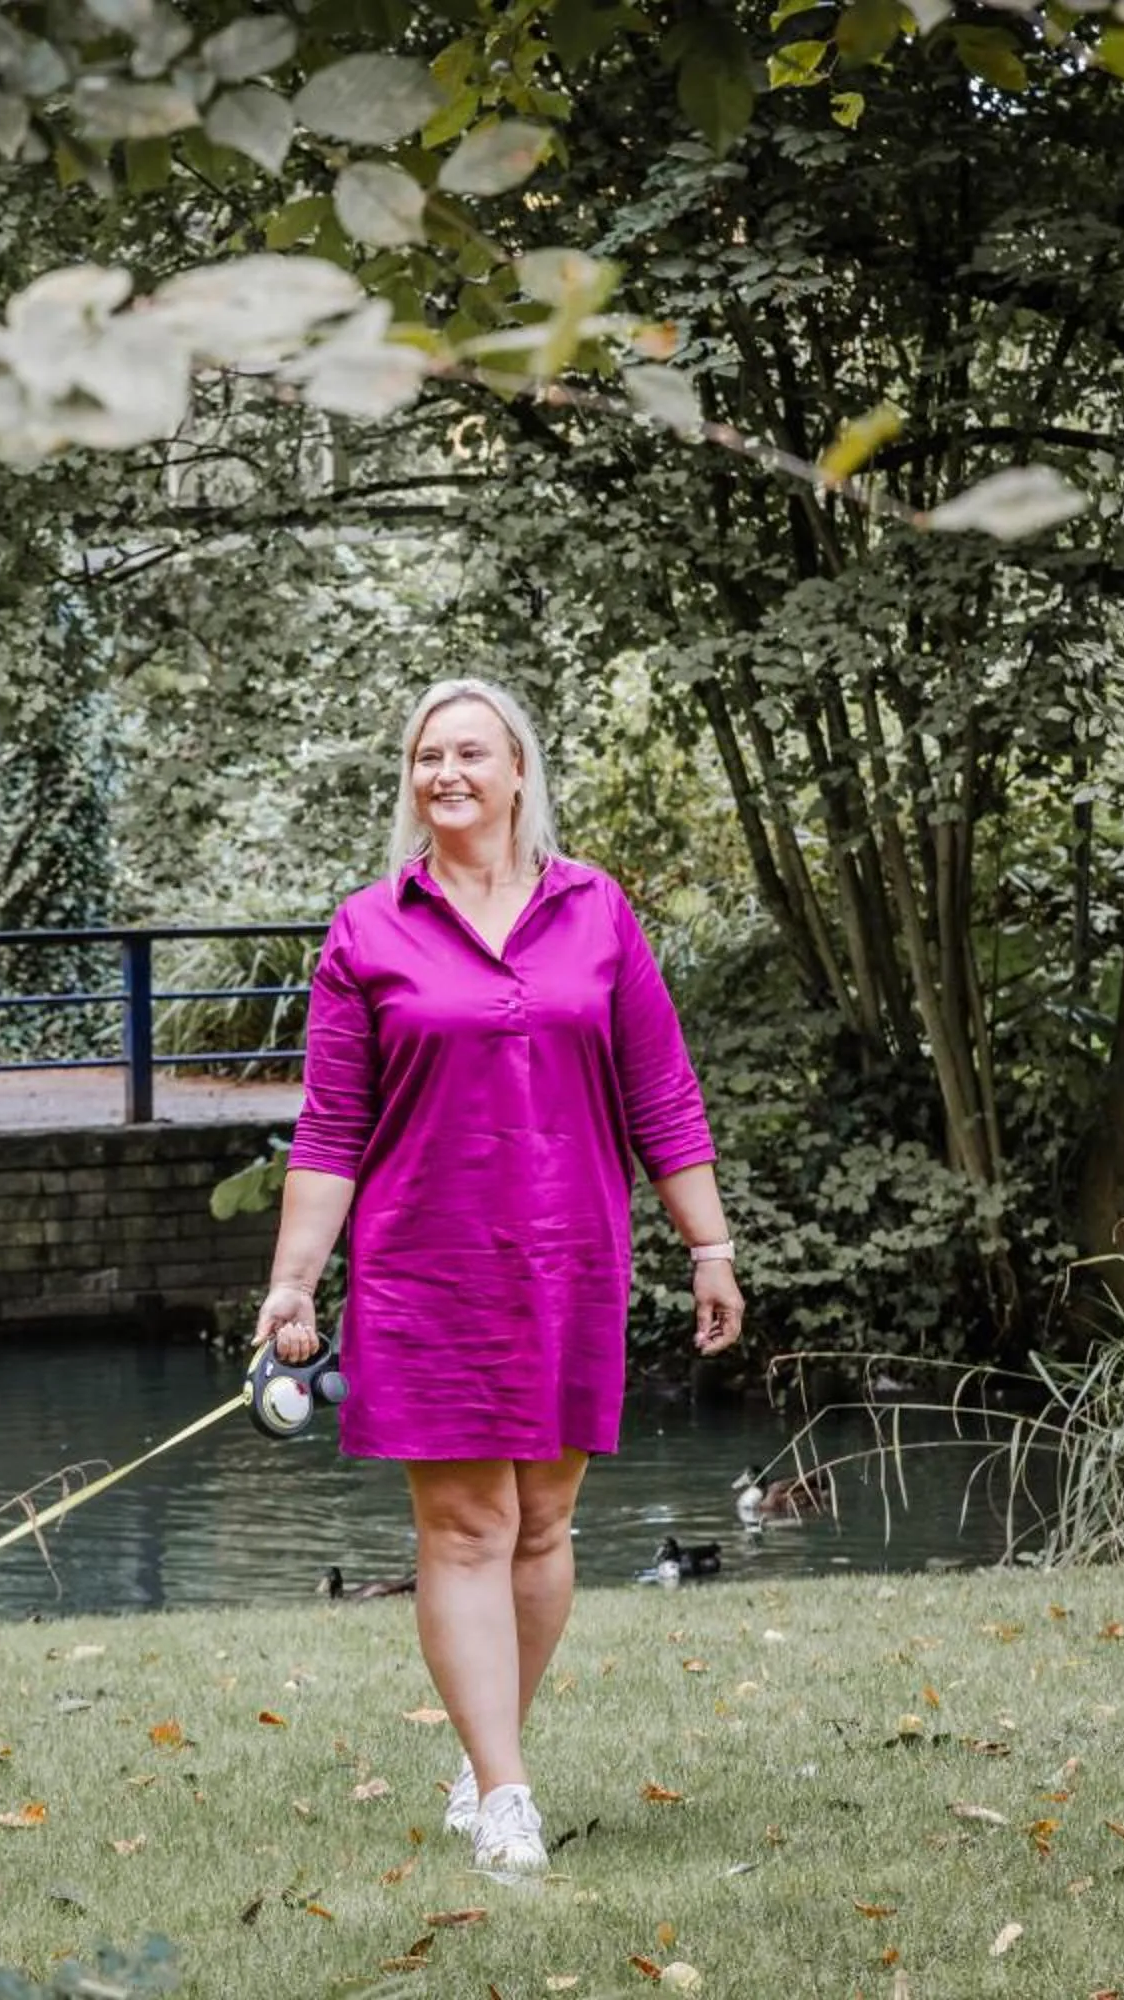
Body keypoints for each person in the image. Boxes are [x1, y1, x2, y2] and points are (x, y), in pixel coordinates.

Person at [256, 677, 743, 1873]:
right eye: (428, 755)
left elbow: (660, 1090)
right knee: (468, 1526)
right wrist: (293, 1283)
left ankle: (485, 1757)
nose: (447, 773)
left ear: (520, 771)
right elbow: (331, 1125)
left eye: (471, 751)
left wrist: (709, 1244)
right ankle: (509, 1793)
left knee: (545, 1523)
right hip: (425, 1268)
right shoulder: (369, 927)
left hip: (574, 1256)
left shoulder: (597, 910)